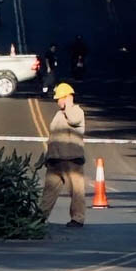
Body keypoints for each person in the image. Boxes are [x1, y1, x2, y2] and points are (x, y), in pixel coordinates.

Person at [39, 82, 86, 228]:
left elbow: (73, 120)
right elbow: (53, 137)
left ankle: (77, 218)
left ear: (67, 97)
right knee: (49, 192)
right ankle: (40, 217)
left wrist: (69, 105)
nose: (57, 101)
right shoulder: (58, 114)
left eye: (60, 98)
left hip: (71, 160)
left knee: (76, 191)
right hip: (55, 160)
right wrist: (45, 157)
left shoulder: (76, 111)